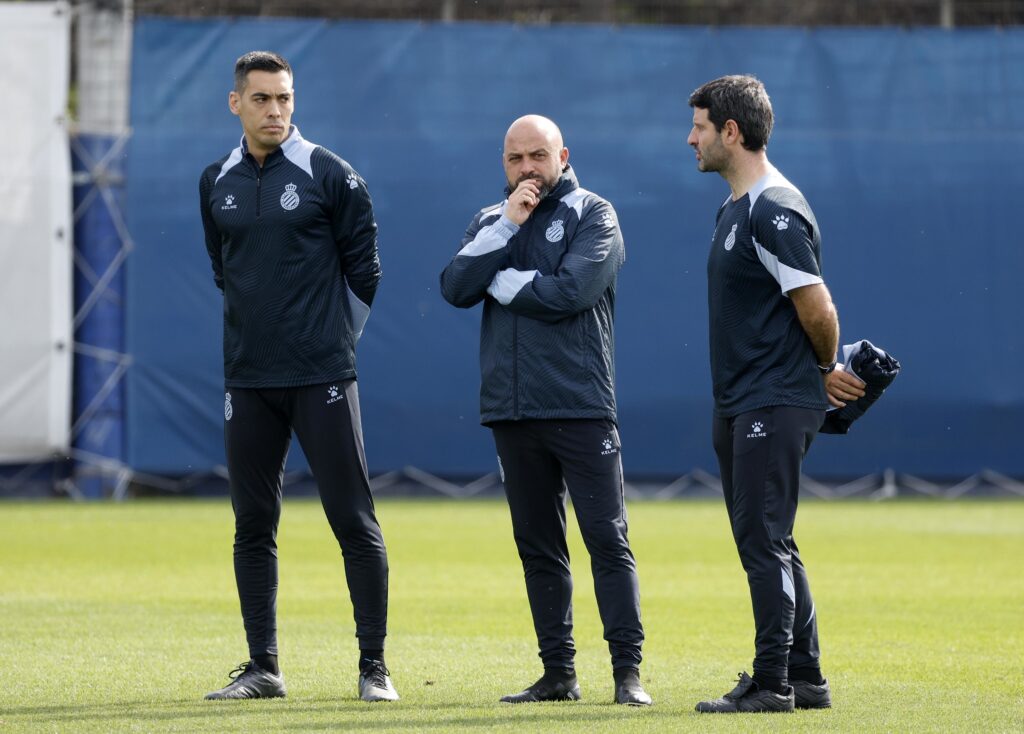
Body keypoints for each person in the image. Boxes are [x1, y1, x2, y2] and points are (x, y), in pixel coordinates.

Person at [198, 51, 397, 703]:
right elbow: (225, 270)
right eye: (261, 99)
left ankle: (374, 669)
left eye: (284, 98)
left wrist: (334, 341)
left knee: (352, 519)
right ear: (237, 104)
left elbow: (363, 269)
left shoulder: (329, 174)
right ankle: (263, 668)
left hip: (323, 377)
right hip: (248, 380)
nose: (275, 110)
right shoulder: (215, 181)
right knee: (252, 522)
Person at [440, 115, 652, 707]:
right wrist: (506, 228)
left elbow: (571, 294)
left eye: (538, 155)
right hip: (511, 410)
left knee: (606, 540)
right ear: (503, 164)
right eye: (515, 159)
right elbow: (455, 286)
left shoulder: (595, 213)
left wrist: (500, 282)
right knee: (538, 546)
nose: (527, 168)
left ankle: (627, 674)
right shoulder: (491, 219)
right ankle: (558, 674)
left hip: (580, 405)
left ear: (563, 154)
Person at [685, 75, 866, 713]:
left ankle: (772, 683)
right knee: (770, 539)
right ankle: (806, 676)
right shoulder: (734, 208)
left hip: (773, 398)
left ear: (731, 132)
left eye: (701, 127)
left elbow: (817, 307)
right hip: (740, 400)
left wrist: (821, 369)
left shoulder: (772, 207)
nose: (692, 138)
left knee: (764, 539)